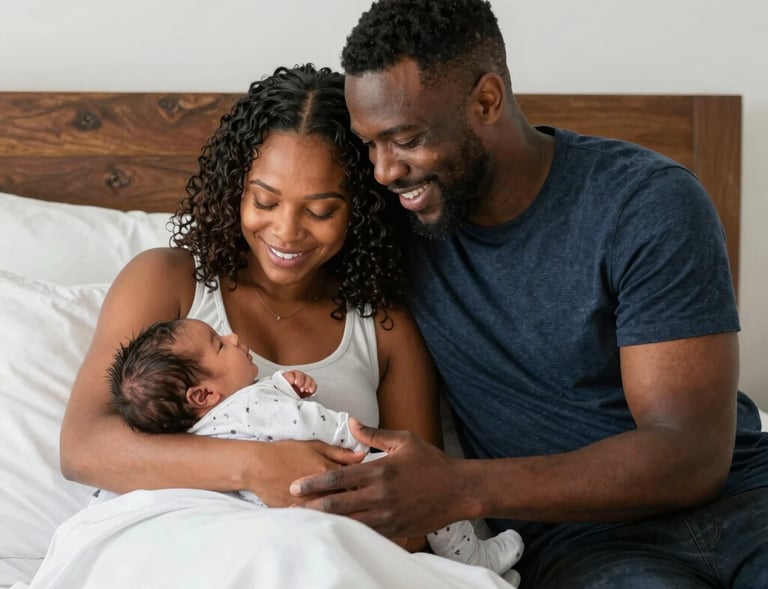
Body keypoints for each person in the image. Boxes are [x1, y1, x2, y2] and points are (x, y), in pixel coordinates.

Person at [288, 1, 768, 587]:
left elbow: (691, 455)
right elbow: (269, 249)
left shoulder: (645, 203)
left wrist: (459, 488)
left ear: (487, 100)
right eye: (370, 146)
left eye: (407, 139)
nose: (385, 171)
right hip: (584, 546)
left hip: (747, 503)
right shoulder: (390, 226)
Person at [59, 63, 443, 540]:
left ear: (360, 211)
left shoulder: (383, 327)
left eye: (321, 210)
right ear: (235, 190)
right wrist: (256, 466)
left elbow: (422, 499)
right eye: (264, 202)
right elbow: (84, 448)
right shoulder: (169, 281)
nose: (286, 232)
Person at [107, 316, 524, 579]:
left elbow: (257, 415)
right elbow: (313, 426)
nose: (232, 336)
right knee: (432, 496)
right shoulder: (251, 404)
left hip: (287, 520)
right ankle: (473, 562)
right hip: (339, 485)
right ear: (203, 396)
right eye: (219, 344)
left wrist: (283, 384)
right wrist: (361, 439)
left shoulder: (194, 438)